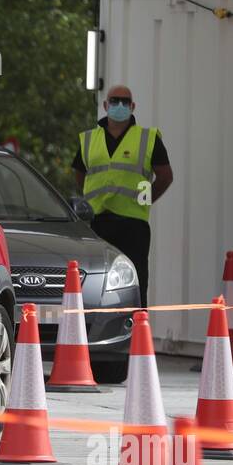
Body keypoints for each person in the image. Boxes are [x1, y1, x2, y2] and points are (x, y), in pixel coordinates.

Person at [72, 86, 173, 307]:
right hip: (97, 223)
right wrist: (90, 200)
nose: (120, 106)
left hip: (133, 225)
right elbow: (79, 174)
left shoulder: (148, 138)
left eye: (125, 102)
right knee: (97, 282)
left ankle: (138, 334)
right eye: (115, 101)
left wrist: (144, 200)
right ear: (106, 106)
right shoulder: (89, 140)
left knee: (135, 283)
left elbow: (165, 177)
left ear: (132, 107)